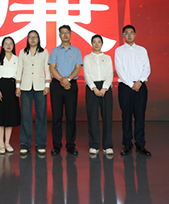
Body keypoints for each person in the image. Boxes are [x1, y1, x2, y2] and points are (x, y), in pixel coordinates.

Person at [115, 25, 152, 157]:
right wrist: (131, 84)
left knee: (140, 116)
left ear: (135, 35)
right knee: (126, 116)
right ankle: (127, 144)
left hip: (140, 86)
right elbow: (119, 70)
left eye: (131, 33)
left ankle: (140, 144)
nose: (129, 35)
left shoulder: (142, 50)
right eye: (126, 33)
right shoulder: (119, 51)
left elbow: (147, 68)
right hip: (126, 87)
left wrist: (140, 81)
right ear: (123, 36)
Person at [48, 25, 83, 156]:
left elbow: (78, 68)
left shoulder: (77, 51)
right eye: (62, 33)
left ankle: (70, 145)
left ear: (71, 34)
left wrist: (68, 79)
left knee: (71, 117)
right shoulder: (55, 51)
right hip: (57, 85)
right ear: (59, 35)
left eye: (67, 32)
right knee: (56, 117)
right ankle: (56, 146)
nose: (65, 34)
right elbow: (52, 68)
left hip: (71, 85)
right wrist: (62, 80)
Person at [16, 30, 51, 155]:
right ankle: (25, 144)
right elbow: (19, 69)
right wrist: (17, 86)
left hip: (40, 87)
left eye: (35, 37)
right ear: (27, 39)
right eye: (30, 37)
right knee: (26, 116)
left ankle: (41, 144)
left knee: (41, 116)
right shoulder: (22, 52)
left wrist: (47, 85)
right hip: (25, 87)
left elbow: (47, 68)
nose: (32, 39)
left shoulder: (44, 52)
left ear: (38, 39)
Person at [0, 36, 21, 154]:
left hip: (12, 89)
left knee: (9, 117)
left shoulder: (17, 59)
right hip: (1, 88)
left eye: (10, 43)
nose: (8, 45)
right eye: (6, 43)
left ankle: (7, 143)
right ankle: (1, 144)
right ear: (2, 46)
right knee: (0, 117)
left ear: (13, 46)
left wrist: (18, 88)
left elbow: (18, 75)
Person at [83, 34, 114, 156]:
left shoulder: (107, 58)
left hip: (106, 88)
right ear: (91, 44)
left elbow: (110, 74)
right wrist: (94, 88)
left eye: (99, 42)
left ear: (102, 44)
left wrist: (104, 88)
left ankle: (107, 146)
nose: (96, 44)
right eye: (94, 42)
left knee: (107, 117)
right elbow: (86, 74)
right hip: (92, 88)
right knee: (92, 117)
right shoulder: (87, 58)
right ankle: (94, 145)